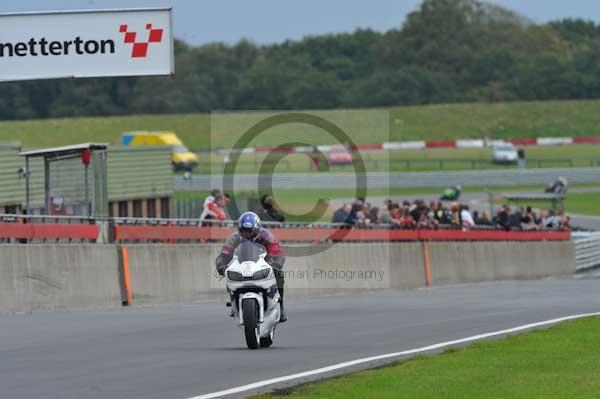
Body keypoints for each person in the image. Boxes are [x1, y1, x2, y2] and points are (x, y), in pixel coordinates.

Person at [215, 212, 287, 322]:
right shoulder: (234, 237)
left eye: (250, 231)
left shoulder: (267, 236)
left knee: (279, 275)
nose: (247, 233)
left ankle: (280, 304)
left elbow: (277, 252)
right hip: (242, 264)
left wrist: (276, 265)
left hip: (264, 263)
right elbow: (225, 254)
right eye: (244, 230)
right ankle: (234, 300)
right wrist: (221, 265)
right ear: (240, 229)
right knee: (229, 274)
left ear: (256, 229)